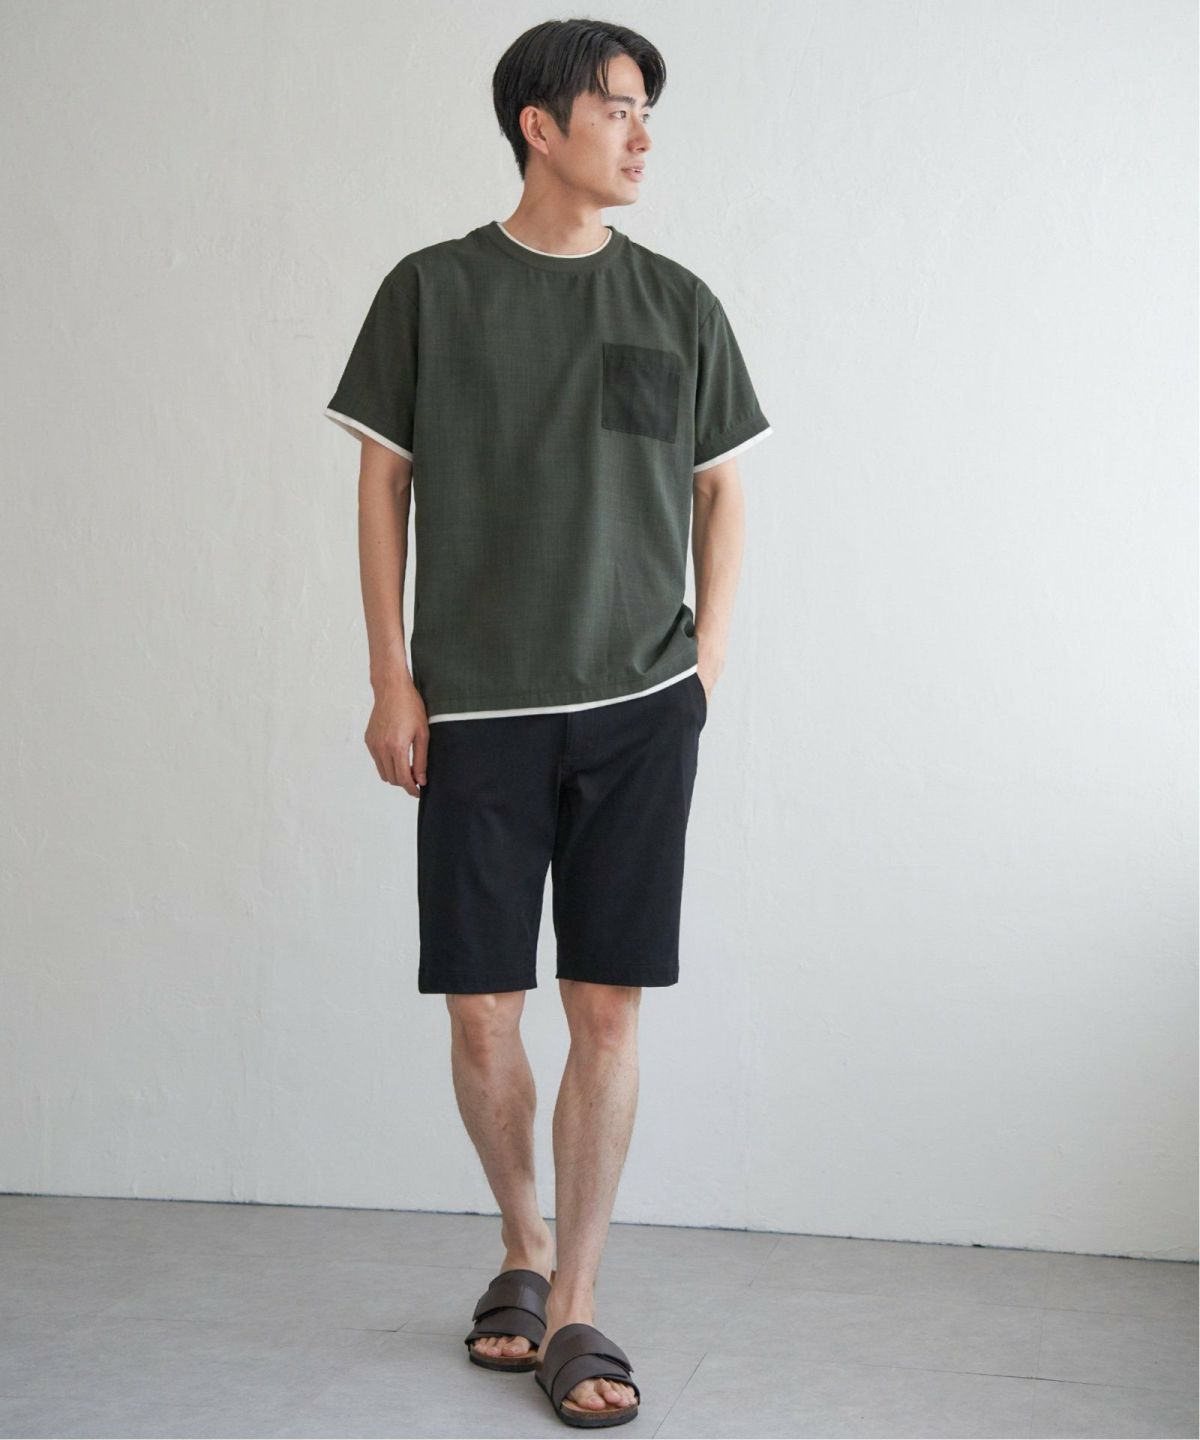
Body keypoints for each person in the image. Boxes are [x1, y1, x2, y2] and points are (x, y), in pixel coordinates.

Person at [323, 17, 771, 1428]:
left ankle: (574, 1297)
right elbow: (383, 483)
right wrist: (391, 677)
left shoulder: (678, 302)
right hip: (477, 710)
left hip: (639, 707)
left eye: (647, 112)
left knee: (607, 1008)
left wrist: (704, 667)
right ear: (540, 124)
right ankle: (520, 1240)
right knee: (481, 1013)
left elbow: (721, 488)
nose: (642, 135)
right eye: (619, 108)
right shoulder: (431, 290)